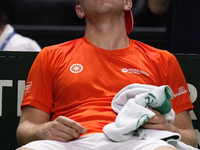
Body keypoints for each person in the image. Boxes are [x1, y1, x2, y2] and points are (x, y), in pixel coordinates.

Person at [16, 0, 197, 150]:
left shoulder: (162, 59)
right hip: (69, 143)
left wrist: (166, 127)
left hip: (139, 141)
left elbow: (189, 138)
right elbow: (25, 130)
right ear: (80, 10)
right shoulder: (50, 56)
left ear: (127, 3)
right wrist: (44, 130)